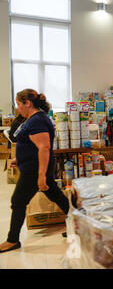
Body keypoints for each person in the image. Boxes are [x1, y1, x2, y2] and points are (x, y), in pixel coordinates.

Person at [0, 89, 69, 253]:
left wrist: (41, 176)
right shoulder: (32, 119)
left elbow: (44, 147)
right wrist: (20, 158)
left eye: (18, 104)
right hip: (32, 165)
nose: (17, 108)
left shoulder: (37, 120)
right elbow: (32, 145)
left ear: (27, 103)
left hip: (35, 169)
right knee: (57, 196)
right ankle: (80, 225)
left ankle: (12, 240)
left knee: (18, 201)